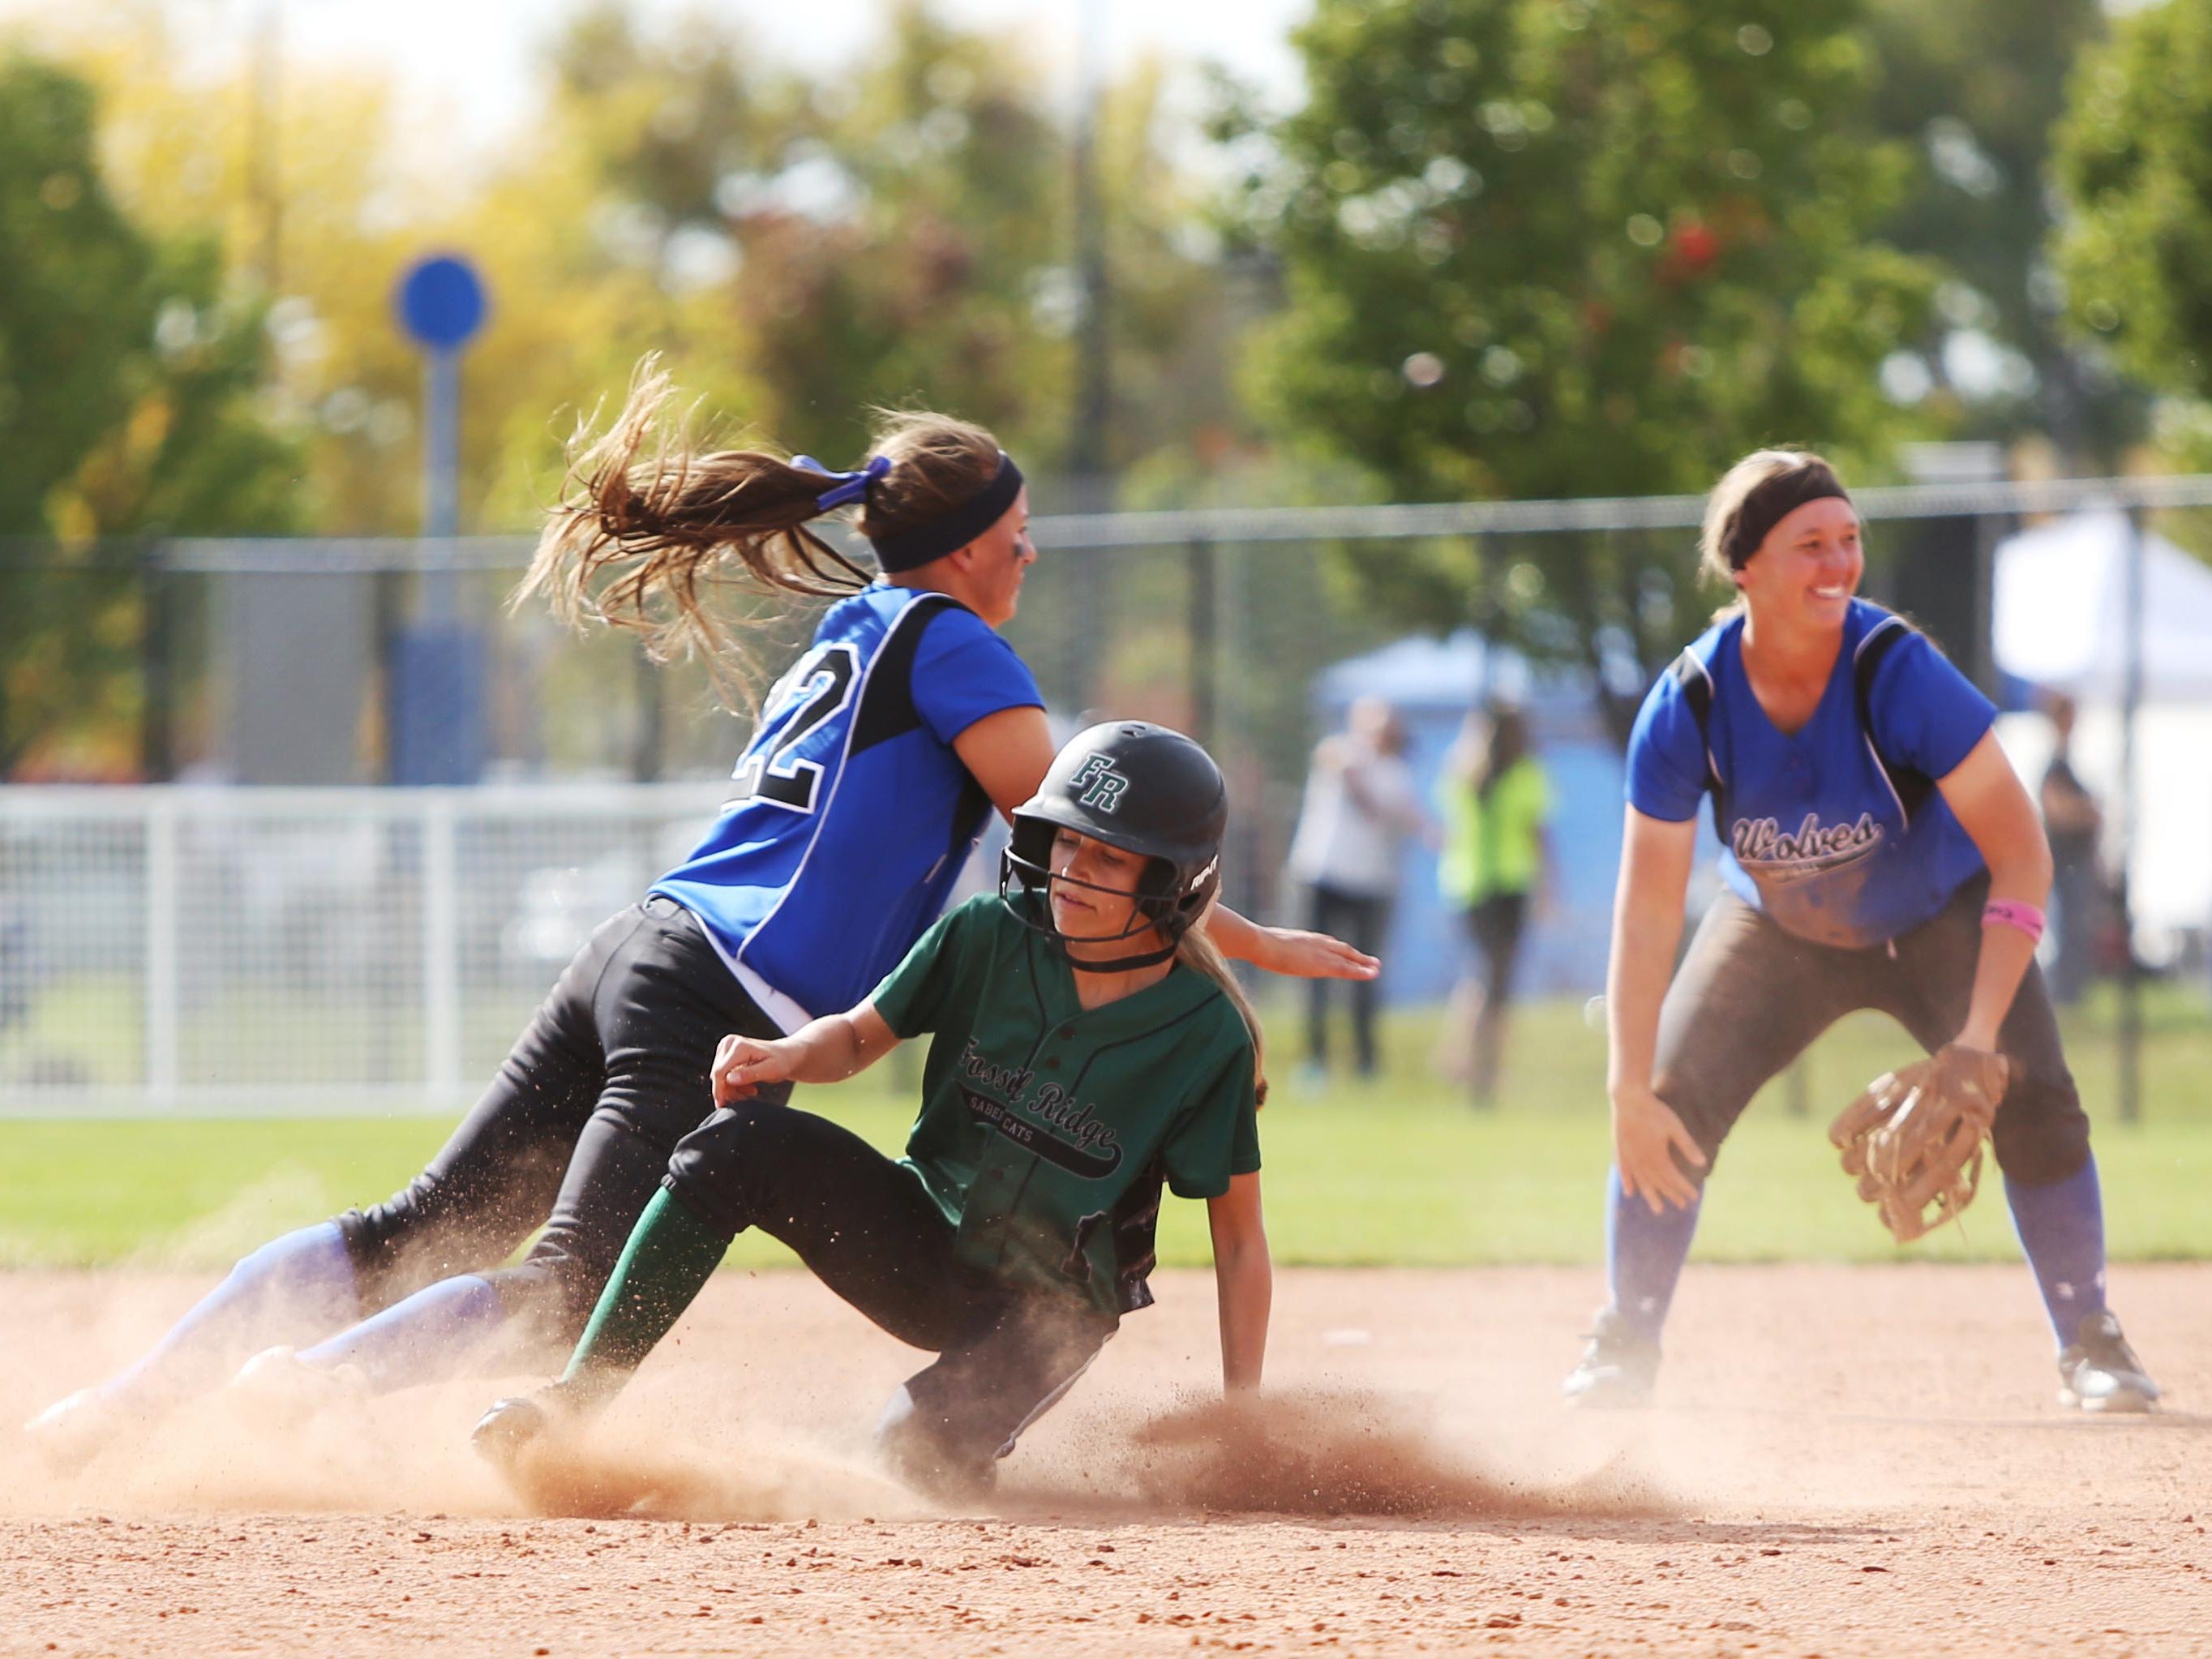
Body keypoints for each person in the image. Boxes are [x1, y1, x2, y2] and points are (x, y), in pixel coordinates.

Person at [25, 375, 1370, 1469]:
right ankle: (300, 1390)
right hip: (727, 993)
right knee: (563, 1280)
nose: (1028, 550)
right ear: (964, 550)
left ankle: (125, 1409)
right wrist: (1254, 944)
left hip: (640, 944)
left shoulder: (858, 621)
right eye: (1016, 532)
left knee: (417, 1218)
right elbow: (1088, 832)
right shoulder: (958, 643)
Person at [472, 722, 1271, 1498]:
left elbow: (1237, 1244)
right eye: (1066, 841)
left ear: (1171, 882)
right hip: (921, 1240)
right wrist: (788, 1054)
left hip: (1045, 1314)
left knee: (907, 1455)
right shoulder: (988, 935)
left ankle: (956, 1450)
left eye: (1108, 856)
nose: (1072, 870)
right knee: (733, 1144)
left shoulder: (1205, 1037)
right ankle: (575, 1403)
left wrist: (1242, 1421)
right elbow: (858, 1037)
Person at [1565, 449, 2158, 1413]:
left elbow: (2023, 857)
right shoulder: (1690, 704)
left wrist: (1974, 1041)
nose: (1836, 563)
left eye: (1848, 541)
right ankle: (1622, 1339)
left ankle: (2090, 1338)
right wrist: (1624, 1084)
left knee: (2036, 1098)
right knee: (1667, 1106)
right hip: (1774, 931)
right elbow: (1644, 910)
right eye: (1808, 545)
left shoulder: (1897, 672)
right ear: (1742, 564)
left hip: (1938, 919)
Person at [1284, 696, 1428, 1081]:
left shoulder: (1398, 773)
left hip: (1372, 884)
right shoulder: (1340, 751)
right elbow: (1343, 769)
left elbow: (1414, 819)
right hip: (1323, 875)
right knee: (1313, 971)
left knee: (1364, 975)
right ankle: (1316, 1061)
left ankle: (1366, 1063)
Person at [1434, 701, 1553, 1104]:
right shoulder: (1524, 773)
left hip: (1467, 884)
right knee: (1496, 981)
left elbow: (1449, 825)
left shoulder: (1461, 770)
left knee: (1480, 975)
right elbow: (1538, 834)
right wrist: (1550, 887)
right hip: (1506, 884)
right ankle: (1483, 1067)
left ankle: (1462, 1057)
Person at [2038, 693, 2103, 1006]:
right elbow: (2057, 810)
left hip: (2077, 860)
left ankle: (2071, 995)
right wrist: (2088, 810)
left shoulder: (2067, 762)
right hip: (2065, 861)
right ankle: (2063, 996)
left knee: (2077, 929)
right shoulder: (2054, 764)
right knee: (2066, 928)